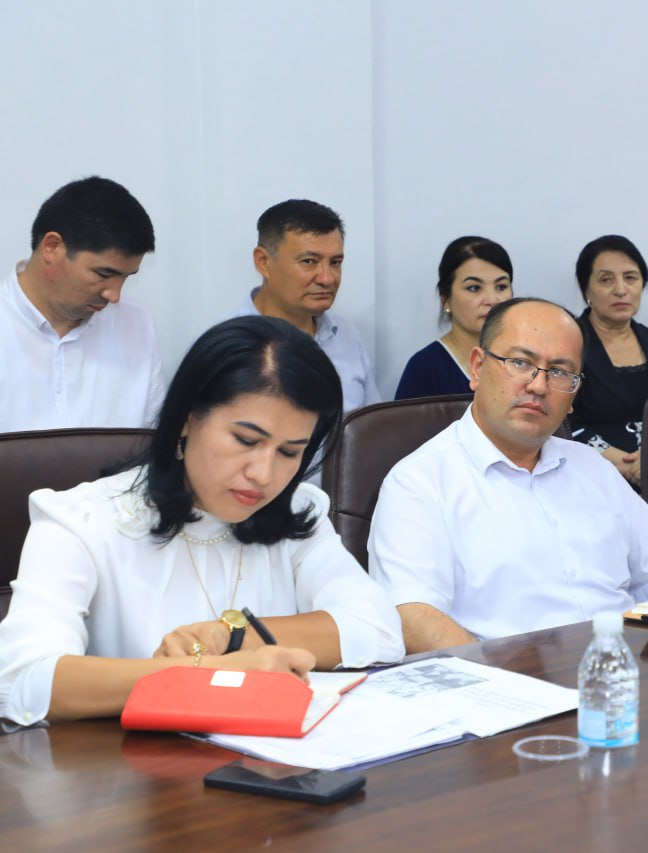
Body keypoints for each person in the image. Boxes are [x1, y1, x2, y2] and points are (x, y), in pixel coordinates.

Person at [0, 316, 404, 725]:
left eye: (289, 452)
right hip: (132, 763)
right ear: (187, 419)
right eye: (246, 440)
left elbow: (380, 629)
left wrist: (233, 635)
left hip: (270, 757)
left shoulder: (297, 510)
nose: (264, 474)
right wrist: (208, 673)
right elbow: (22, 683)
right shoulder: (81, 521)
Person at [369, 298, 648, 651]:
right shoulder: (419, 483)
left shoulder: (593, 467)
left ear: (574, 395)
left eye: (559, 372)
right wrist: (500, 680)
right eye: (520, 363)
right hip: (506, 677)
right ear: (478, 367)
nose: (539, 386)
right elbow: (413, 616)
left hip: (623, 668)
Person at [0, 176, 164, 433]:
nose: (114, 295)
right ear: (52, 247)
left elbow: (152, 444)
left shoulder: (135, 326)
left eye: (126, 277)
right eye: (104, 273)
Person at [235, 199, 380, 411]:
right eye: (309, 261)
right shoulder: (225, 347)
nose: (327, 278)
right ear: (263, 262)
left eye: (335, 262)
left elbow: (372, 425)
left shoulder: (346, 335)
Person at [567, 235, 648, 487]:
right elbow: (563, 422)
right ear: (587, 290)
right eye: (606, 280)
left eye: (630, 278)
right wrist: (621, 462)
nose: (620, 289)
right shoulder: (569, 344)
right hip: (592, 476)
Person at [395, 236, 514, 399]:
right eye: (474, 288)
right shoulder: (425, 368)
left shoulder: (524, 359)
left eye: (501, 287)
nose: (492, 300)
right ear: (445, 299)